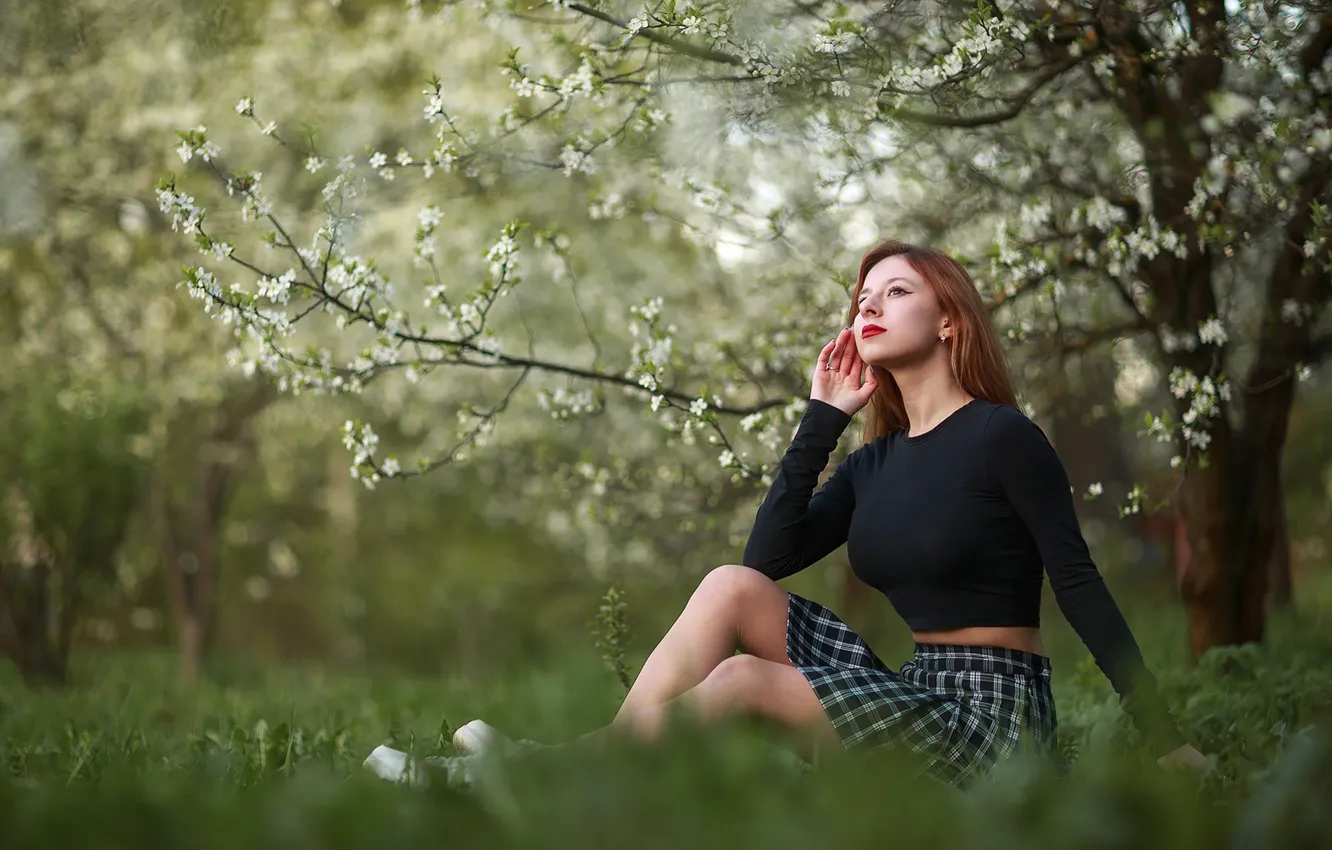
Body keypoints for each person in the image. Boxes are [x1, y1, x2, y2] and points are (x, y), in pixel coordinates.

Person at [376, 239, 1211, 789]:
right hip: (913, 693)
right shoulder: (873, 463)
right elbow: (764, 561)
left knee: (741, 682)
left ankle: (540, 778)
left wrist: (1165, 736)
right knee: (728, 586)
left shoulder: (1003, 438)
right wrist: (824, 417)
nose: (868, 306)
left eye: (896, 292)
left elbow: (1078, 583)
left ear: (949, 321)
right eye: (862, 296)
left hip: (992, 723)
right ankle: (582, 780)